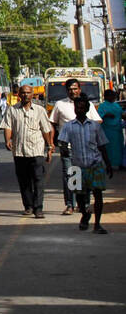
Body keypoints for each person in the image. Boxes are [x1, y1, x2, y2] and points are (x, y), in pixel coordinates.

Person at [60, 95, 113, 233]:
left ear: (87, 109)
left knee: (98, 194)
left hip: (95, 165)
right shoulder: (68, 126)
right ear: (75, 109)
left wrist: (108, 164)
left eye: (83, 107)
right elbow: (63, 142)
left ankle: (97, 224)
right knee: (79, 196)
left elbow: (102, 145)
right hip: (76, 166)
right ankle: (85, 214)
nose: (80, 109)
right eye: (78, 107)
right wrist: (64, 149)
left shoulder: (95, 126)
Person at [49, 78, 101, 215]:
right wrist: (52, 143)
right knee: (71, 175)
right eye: (70, 89)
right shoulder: (60, 104)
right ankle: (70, 205)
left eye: (75, 88)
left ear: (79, 89)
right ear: (67, 91)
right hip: (68, 148)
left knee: (84, 176)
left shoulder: (87, 104)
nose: (73, 91)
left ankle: (85, 204)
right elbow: (52, 123)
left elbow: (98, 121)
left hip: (86, 149)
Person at [4, 83, 54, 218]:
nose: (25, 95)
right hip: (19, 151)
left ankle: (38, 208)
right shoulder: (12, 110)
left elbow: (46, 130)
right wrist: (8, 139)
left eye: (28, 92)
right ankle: (28, 206)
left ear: (33, 95)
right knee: (24, 181)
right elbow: (8, 126)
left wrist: (49, 146)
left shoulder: (40, 110)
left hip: (36, 151)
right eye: (23, 93)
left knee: (38, 180)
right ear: (19, 95)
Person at [97, 89, 124, 171]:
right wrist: (106, 115)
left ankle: (119, 163)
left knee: (119, 148)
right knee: (108, 149)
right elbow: (99, 117)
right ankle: (109, 164)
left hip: (117, 131)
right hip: (107, 131)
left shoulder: (116, 105)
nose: (114, 97)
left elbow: (121, 114)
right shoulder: (102, 106)